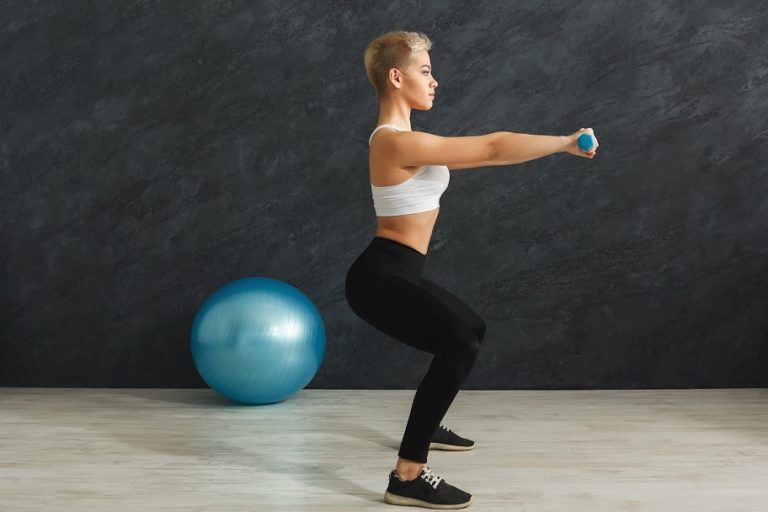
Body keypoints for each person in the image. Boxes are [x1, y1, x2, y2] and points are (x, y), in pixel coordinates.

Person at [344, 30, 599, 509]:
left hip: (399, 271)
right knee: (458, 342)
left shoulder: (406, 140)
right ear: (396, 78)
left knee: (471, 329)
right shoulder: (395, 143)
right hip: (379, 278)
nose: (434, 80)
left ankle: (429, 417)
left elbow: (493, 151)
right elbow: (492, 148)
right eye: (425, 71)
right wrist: (564, 142)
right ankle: (407, 476)